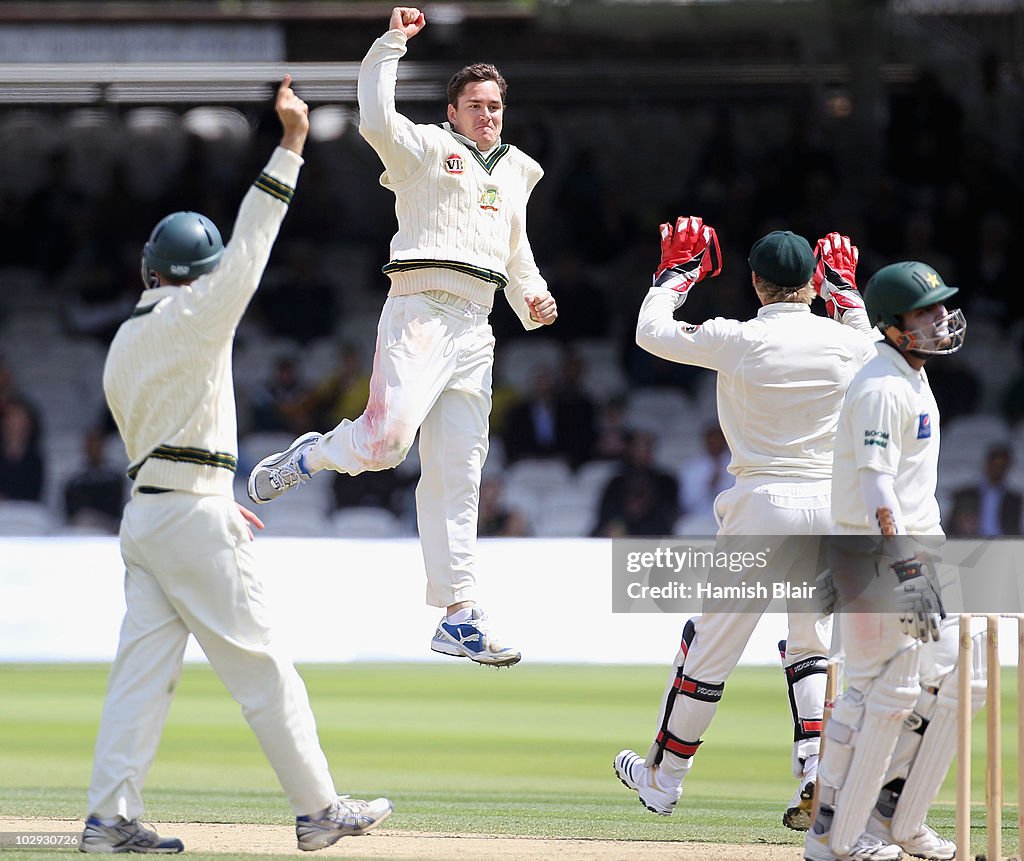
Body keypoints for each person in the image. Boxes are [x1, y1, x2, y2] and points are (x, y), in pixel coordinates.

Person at [80, 78, 391, 855]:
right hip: (191, 516)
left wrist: (211, 492)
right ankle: (319, 809)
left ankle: (109, 818)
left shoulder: (123, 339)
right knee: (265, 670)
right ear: (197, 274)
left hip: (148, 515)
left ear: (151, 270)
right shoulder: (197, 313)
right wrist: (289, 146)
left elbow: (158, 434)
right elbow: (253, 244)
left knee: (140, 678)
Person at [247, 7, 557, 668]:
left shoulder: (512, 171)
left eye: (496, 106)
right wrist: (391, 43)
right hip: (421, 311)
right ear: (452, 111)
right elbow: (373, 116)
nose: (488, 115)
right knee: (386, 445)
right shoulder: (425, 148)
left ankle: (459, 615)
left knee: (458, 473)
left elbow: (515, 248)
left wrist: (531, 297)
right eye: (475, 105)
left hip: (477, 326)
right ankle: (314, 453)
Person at [613, 219, 876, 831]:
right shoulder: (847, 342)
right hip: (833, 508)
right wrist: (847, 293)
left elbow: (651, 332)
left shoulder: (737, 338)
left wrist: (676, 276)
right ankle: (815, 769)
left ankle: (663, 779)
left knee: (710, 651)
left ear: (755, 283)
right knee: (812, 647)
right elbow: (865, 335)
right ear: (811, 283)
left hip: (762, 503)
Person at [805, 262, 974, 861]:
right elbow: (876, 486)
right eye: (925, 311)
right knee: (882, 690)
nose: (939, 319)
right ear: (894, 327)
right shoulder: (880, 385)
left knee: (961, 682)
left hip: (920, 545)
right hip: (878, 552)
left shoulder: (911, 372)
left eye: (939, 307)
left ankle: (897, 818)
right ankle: (834, 834)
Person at [949, 442, 1022, 537]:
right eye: (995, 465)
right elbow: (951, 527)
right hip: (970, 544)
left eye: (1002, 466)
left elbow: (1016, 531)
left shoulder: (1015, 499)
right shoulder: (965, 495)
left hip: (1005, 544)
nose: (998, 470)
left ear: (1008, 468)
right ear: (988, 464)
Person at [63, 427, 125, 533]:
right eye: (90, 444)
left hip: (109, 524)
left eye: (97, 444)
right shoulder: (75, 478)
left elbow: (114, 505)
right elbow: (70, 505)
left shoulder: (114, 477)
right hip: (80, 523)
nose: (94, 448)